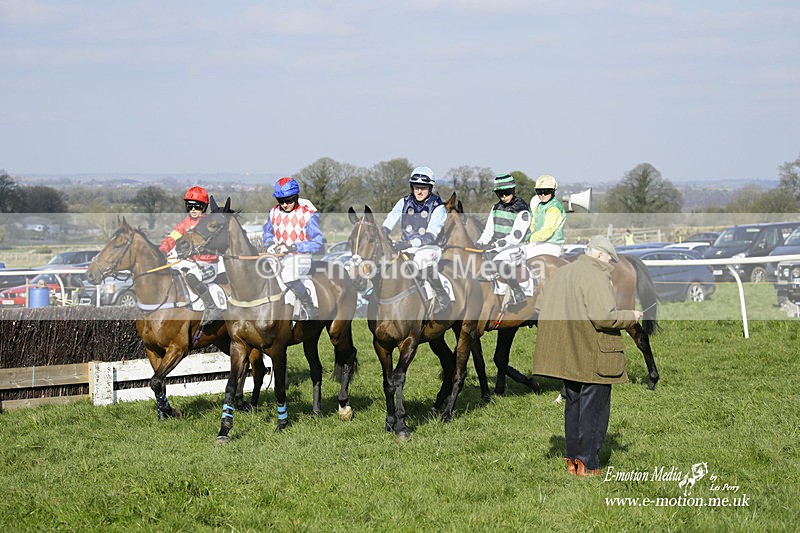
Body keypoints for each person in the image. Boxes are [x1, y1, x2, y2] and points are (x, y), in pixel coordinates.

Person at [533, 235, 643, 477]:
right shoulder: (595, 273)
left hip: (566, 352)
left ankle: (572, 461)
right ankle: (588, 464)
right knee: (594, 409)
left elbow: (540, 306)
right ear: (601, 255)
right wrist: (631, 316)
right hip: (593, 352)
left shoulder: (561, 272)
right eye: (610, 261)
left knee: (574, 405)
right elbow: (605, 316)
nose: (610, 267)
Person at [382, 166, 450, 313]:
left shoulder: (438, 206)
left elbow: (431, 235)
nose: (419, 191)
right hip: (408, 246)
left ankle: (441, 295)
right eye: (416, 187)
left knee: (420, 260)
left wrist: (408, 243)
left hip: (431, 247)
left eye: (423, 188)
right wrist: (383, 231)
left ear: (430, 188)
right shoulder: (404, 202)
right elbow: (392, 217)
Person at [159, 185, 222, 327]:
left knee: (191, 277)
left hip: (208, 264)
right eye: (190, 206)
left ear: (204, 207)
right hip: (189, 263)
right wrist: (162, 250)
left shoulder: (210, 224)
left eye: (197, 206)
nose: (193, 210)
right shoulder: (184, 224)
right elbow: (171, 238)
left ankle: (212, 308)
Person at [262, 176, 323, 320]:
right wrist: (269, 243)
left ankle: (309, 307)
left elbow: (318, 242)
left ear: (296, 197)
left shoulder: (308, 214)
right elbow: (267, 232)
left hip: (300, 256)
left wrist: (292, 247)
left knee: (288, 276)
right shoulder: (273, 212)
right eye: (281, 201)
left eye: (288, 200)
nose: (284, 204)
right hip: (277, 257)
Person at [476, 173, 532, 306]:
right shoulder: (495, 208)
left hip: (516, 248)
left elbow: (515, 238)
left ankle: (518, 293)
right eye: (500, 193)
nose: (503, 196)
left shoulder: (522, 210)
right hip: (498, 248)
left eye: (506, 192)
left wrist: (494, 245)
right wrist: (480, 243)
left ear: (512, 190)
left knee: (499, 263)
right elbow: (488, 231)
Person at [526, 174, 566, 258]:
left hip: (551, 245)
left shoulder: (555, 207)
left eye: (547, 191)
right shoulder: (538, 206)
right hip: (538, 243)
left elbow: (547, 230)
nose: (542, 195)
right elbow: (532, 225)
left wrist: (530, 238)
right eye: (539, 192)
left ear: (553, 191)